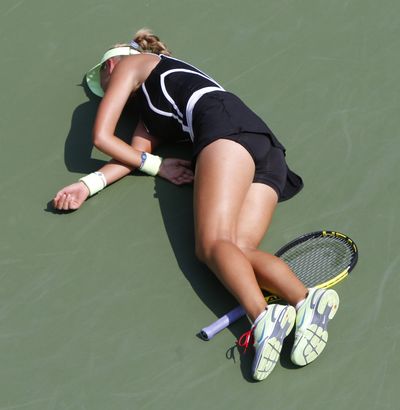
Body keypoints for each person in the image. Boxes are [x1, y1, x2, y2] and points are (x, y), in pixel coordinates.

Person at [53, 28, 339, 381]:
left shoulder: (134, 64)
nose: (106, 89)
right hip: (265, 152)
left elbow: (101, 138)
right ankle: (305, 301)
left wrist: (157, 166)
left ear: (113, 64)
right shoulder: (151, 112)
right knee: (235, 249)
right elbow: (133, 155)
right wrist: (86, 186)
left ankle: (263, 317)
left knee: (210, 245)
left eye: (103, 79)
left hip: (226, 135)